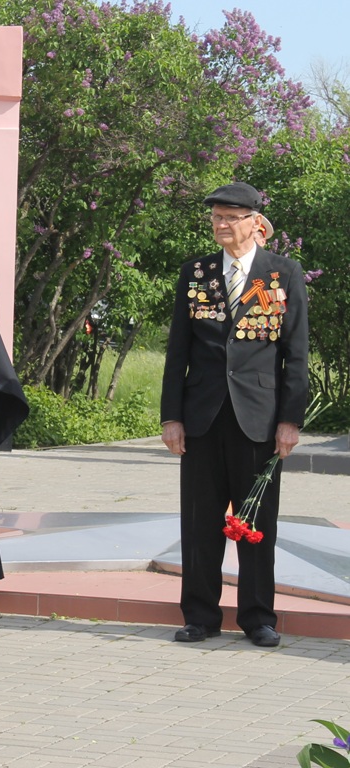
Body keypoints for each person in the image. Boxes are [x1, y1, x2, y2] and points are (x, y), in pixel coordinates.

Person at [160, 181, 309, 648]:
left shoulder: (282, 273)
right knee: (200, 521)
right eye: (216, 217)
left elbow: (296, 353)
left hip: (259, 418)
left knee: (256, 521)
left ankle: (258, 617)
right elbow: (178, 349)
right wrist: (171, 417)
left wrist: (290, 421)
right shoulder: (196, 273)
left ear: (254, 222)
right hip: (201, 416)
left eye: (230, 217)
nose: (221, 225)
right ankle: (200, 616)